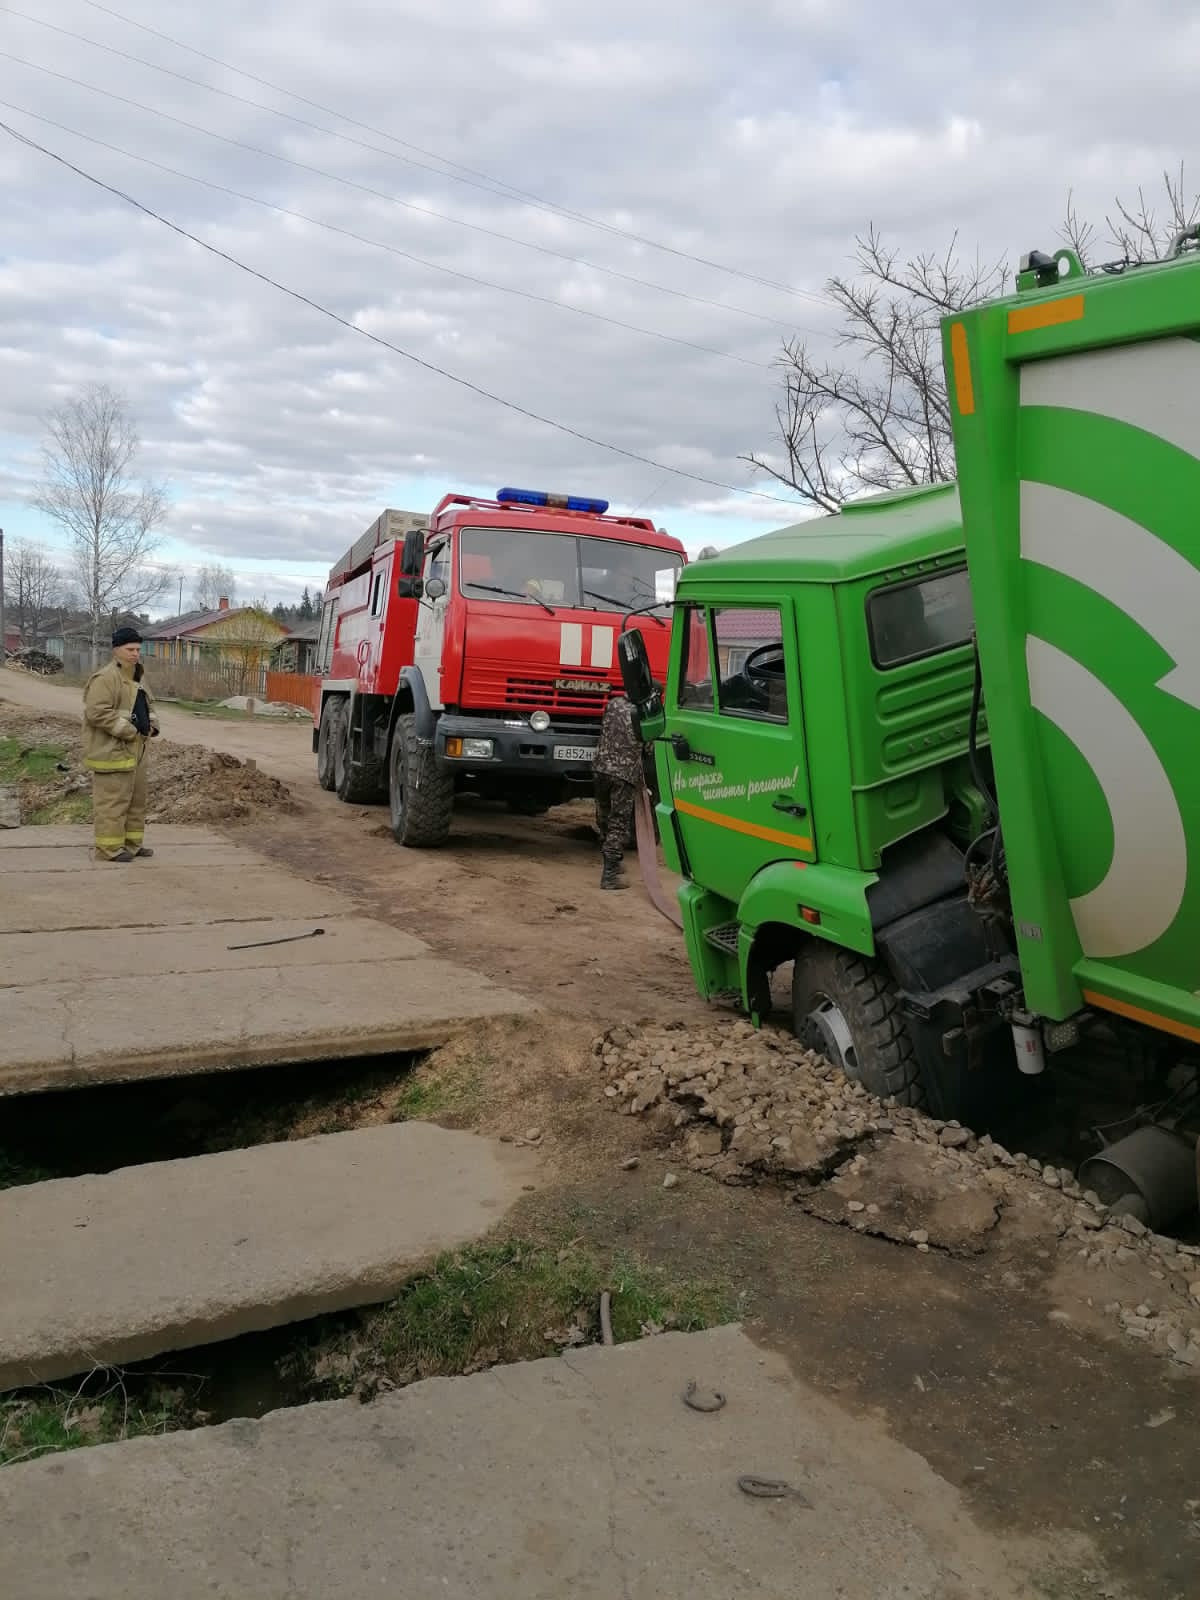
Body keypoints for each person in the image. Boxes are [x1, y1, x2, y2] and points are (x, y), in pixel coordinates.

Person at [82, 625, 160, 862]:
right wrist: (127, 731)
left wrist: (153, 725)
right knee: (112, 804)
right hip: (112, 751)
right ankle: (108, 850)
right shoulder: (105, 678)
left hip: (137, 749)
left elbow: (149, 705)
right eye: (130, 649)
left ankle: (132, 845)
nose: (135, 654)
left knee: (136, 801)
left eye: (138, 649)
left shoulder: (138, 675)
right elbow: (96, 712)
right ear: (116, 649)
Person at [593, 690, 643, 891]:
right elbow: (647, 748)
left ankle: (614, 861)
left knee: (604, 816)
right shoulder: (642, 713)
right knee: (619, 823)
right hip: (623, 774)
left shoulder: (613, 703)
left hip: (600, 768)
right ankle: (610, 876)